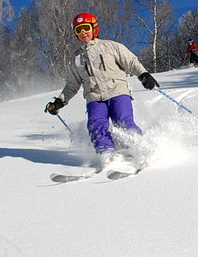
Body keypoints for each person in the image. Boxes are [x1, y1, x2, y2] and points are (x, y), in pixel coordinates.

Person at [45, 12, 159, 166]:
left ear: (94, 29)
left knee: (123, 122)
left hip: (117, 91)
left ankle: (141, 150)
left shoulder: (110, 46)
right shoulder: (76, 58)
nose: (83, 33)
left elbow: (131, 61)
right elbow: (72, 84)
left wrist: (144, 75)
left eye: (86, 28)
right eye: (79, 30)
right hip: (94, 97)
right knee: (96, 125)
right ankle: (107, 154)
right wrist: (60, 101)